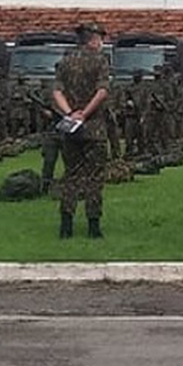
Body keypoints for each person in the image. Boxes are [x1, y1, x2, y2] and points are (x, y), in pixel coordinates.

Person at [51, 21, 111, 238]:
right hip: (93, 128)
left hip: (71, 129)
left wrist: (70, 113)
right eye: (100, 38)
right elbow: (102, 91)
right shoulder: (100, 61)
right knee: (94, 177)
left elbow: (56, 92)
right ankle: (93, 227)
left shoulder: (66, 61)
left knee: (71, 176)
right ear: (93, 39)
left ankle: (66, 226)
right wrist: (85, 113)